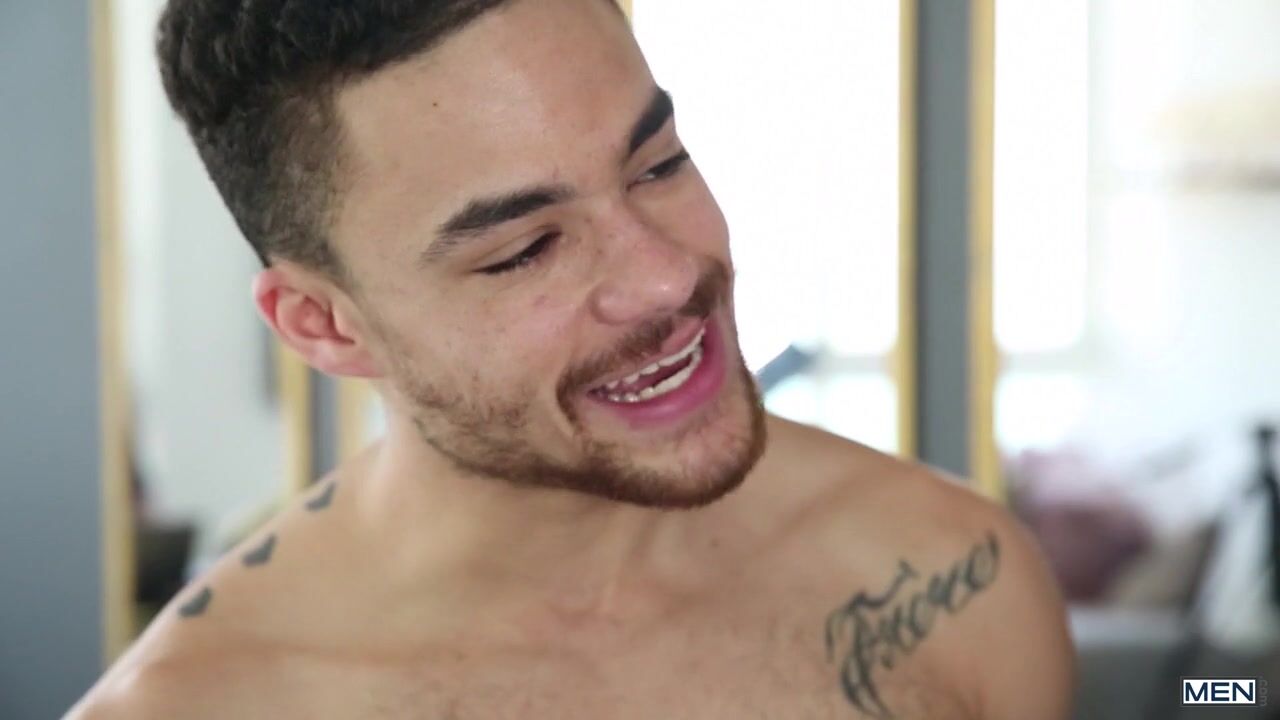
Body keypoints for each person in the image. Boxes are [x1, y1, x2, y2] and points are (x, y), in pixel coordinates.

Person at [70, 0, 1073, 717]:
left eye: (658, 164)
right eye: (524, 250)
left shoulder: (951, 577)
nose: (666, 276)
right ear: (324, 325)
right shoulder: (201, 703)